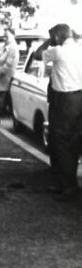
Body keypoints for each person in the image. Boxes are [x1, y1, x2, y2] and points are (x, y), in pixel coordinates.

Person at [39, 23, 82, 201]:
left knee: (61, 141)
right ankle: (65, 182)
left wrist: (48, 42)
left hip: (63, 100)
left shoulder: (58, 51)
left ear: (57, 37)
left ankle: (68, 186)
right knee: (73, 140)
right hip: (78, 98)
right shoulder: (79, 49)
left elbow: (36, 55)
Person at [0, 28, 19, 126]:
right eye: (4, 36)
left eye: (7, 36)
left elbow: (8, 66)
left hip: (5, 76)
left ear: (13, 36)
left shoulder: (13, 48)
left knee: (1, 99)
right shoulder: (4, 47)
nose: (4, 38)